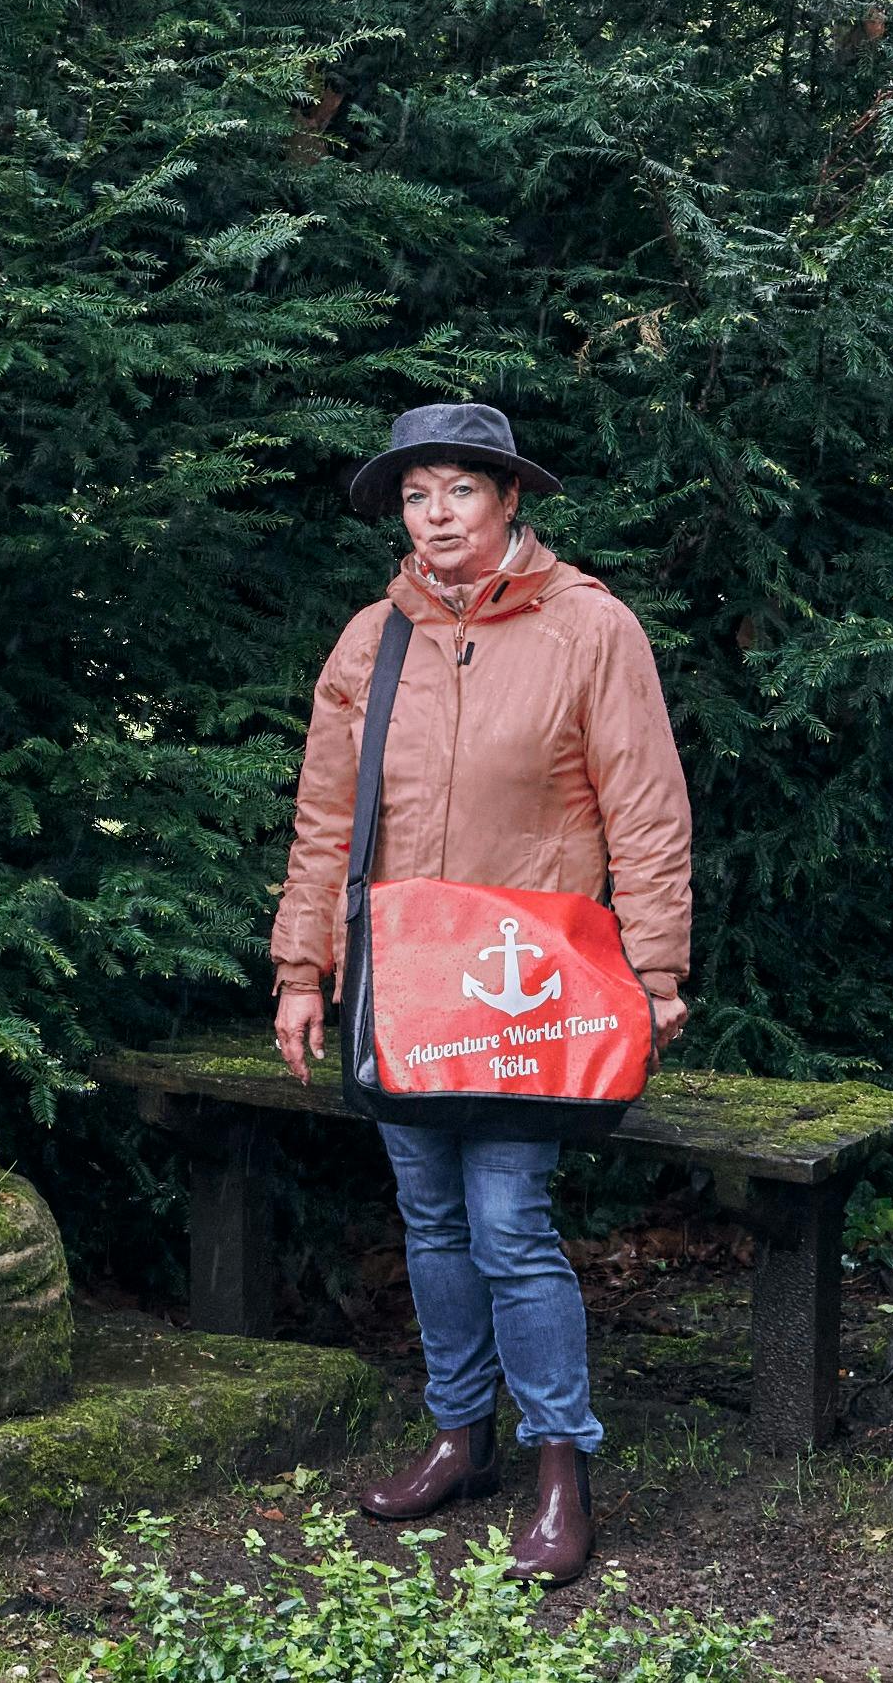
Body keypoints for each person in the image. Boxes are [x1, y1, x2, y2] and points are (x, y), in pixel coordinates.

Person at [268, 401, 694, 1584]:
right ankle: (461, 1436)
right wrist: (302, 969)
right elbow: (323, 820)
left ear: (510, 501)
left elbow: (646, 809)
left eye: (460, 489)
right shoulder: (372, 640)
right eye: (416, 495)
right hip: (398, 980)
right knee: (432, 1220)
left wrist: (655, 971)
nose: (436, 515)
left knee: (510, 1223)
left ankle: (561, 1461)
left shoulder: (590, 630)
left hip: (527, 990)